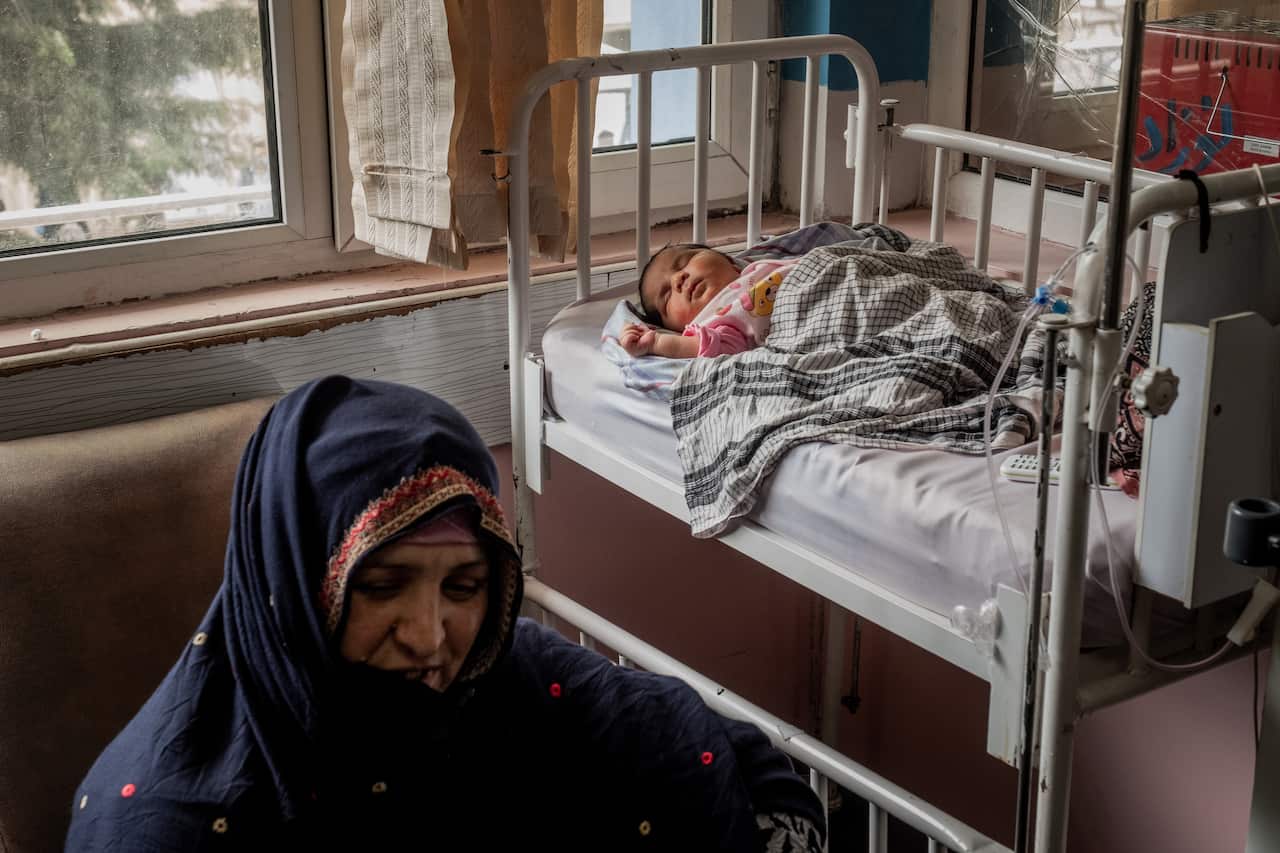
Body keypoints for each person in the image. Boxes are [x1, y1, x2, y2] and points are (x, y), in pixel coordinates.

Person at [66, 376, 825, 851]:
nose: (431, 638)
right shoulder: (168, 822)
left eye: (463, 588)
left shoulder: (501, 675)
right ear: (294, 588)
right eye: (383, 585)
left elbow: (723, 754)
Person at [622, 243, 800, 359]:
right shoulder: (720, 322)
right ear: (677, 329)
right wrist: (655, 343)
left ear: (730, 262)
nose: (678, 278)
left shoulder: (760, 268)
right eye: (667, 296)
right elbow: (710, 347)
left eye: (685, 262)